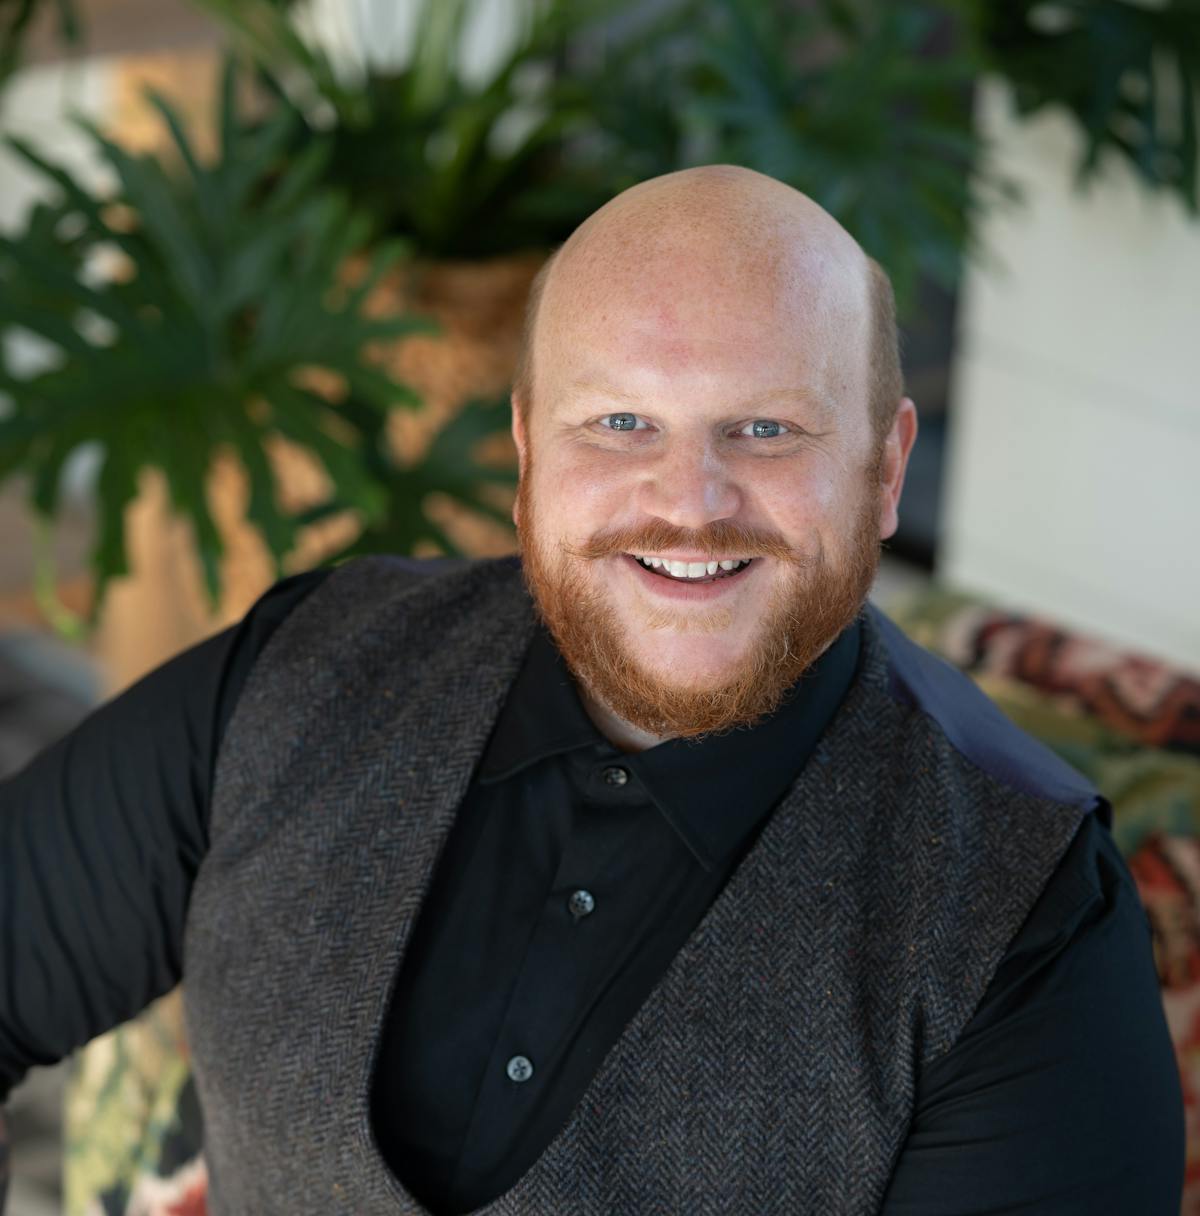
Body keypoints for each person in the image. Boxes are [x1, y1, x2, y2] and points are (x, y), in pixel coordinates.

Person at [0, 164, 1184, 1214]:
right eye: (619, 421)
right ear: (526, 455)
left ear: (886, 469)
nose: (690, 501)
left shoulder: (1023, 914)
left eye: (765, 428)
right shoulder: (303, 666)